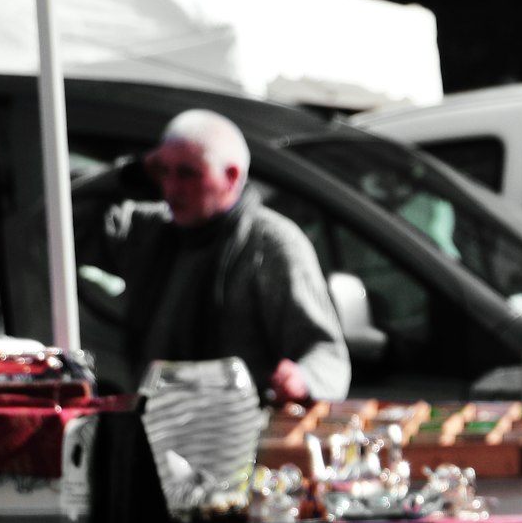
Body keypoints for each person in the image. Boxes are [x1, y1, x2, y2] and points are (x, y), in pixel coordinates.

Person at [80, 109, 349, 401]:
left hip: (239, 436)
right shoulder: (151, 231)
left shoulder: (270, 244)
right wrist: (131, 174)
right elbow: (55, 225)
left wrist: (302, 379)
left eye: (187, 174)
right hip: (154, 428)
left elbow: (326, 353)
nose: (171, 188)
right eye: (163, 172)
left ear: (231, 176)